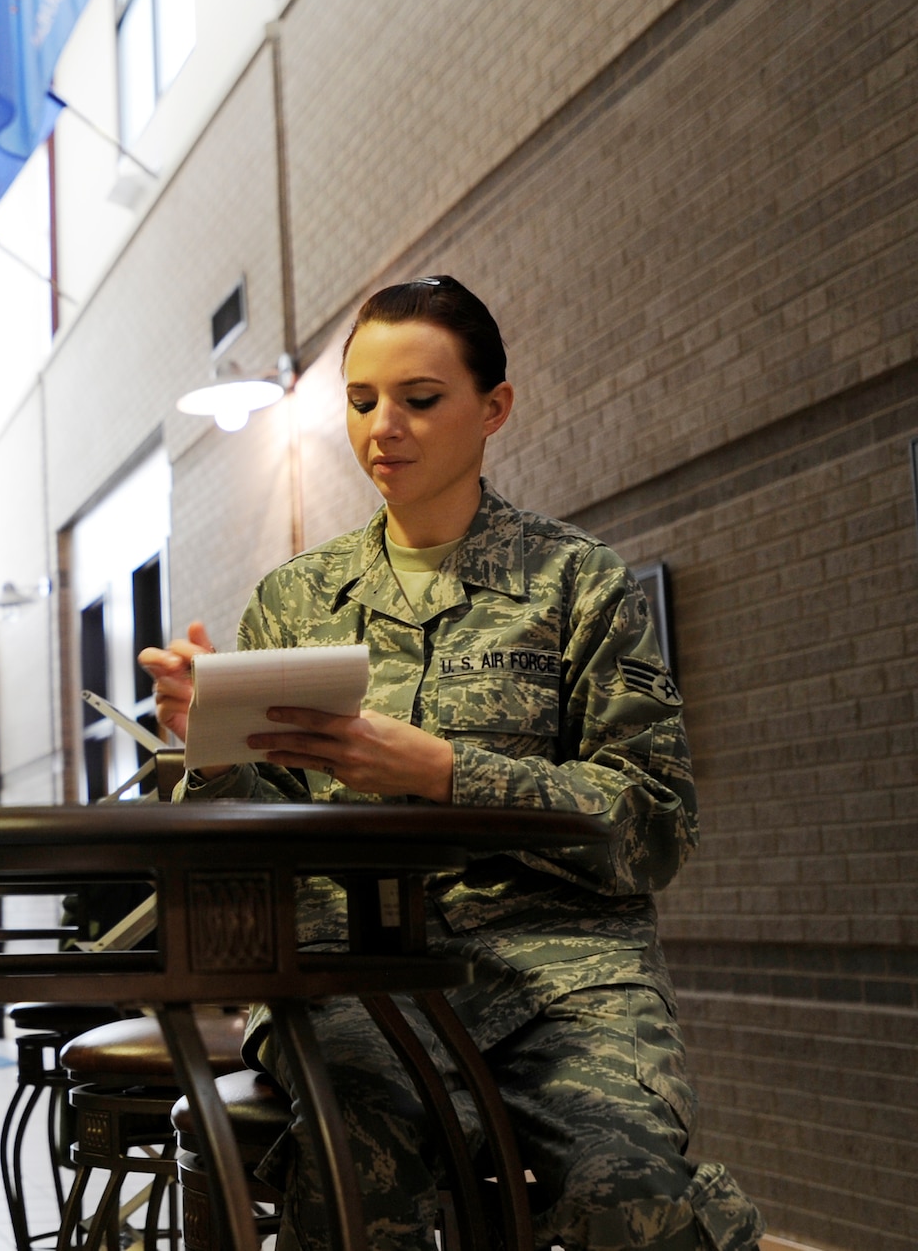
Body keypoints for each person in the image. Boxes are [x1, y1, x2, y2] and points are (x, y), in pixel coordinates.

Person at [140, 278, 764, 1251]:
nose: (381, 427)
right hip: (355, 976)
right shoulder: (296, 602)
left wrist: (444, 770)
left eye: (419, 399)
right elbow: (240, 854)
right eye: (359, 401)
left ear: (493, 407)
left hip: (561, 979)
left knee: (630, 1192)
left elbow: (651, 828)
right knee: (359, 1172)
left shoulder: (576, 584)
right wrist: (208, 748)